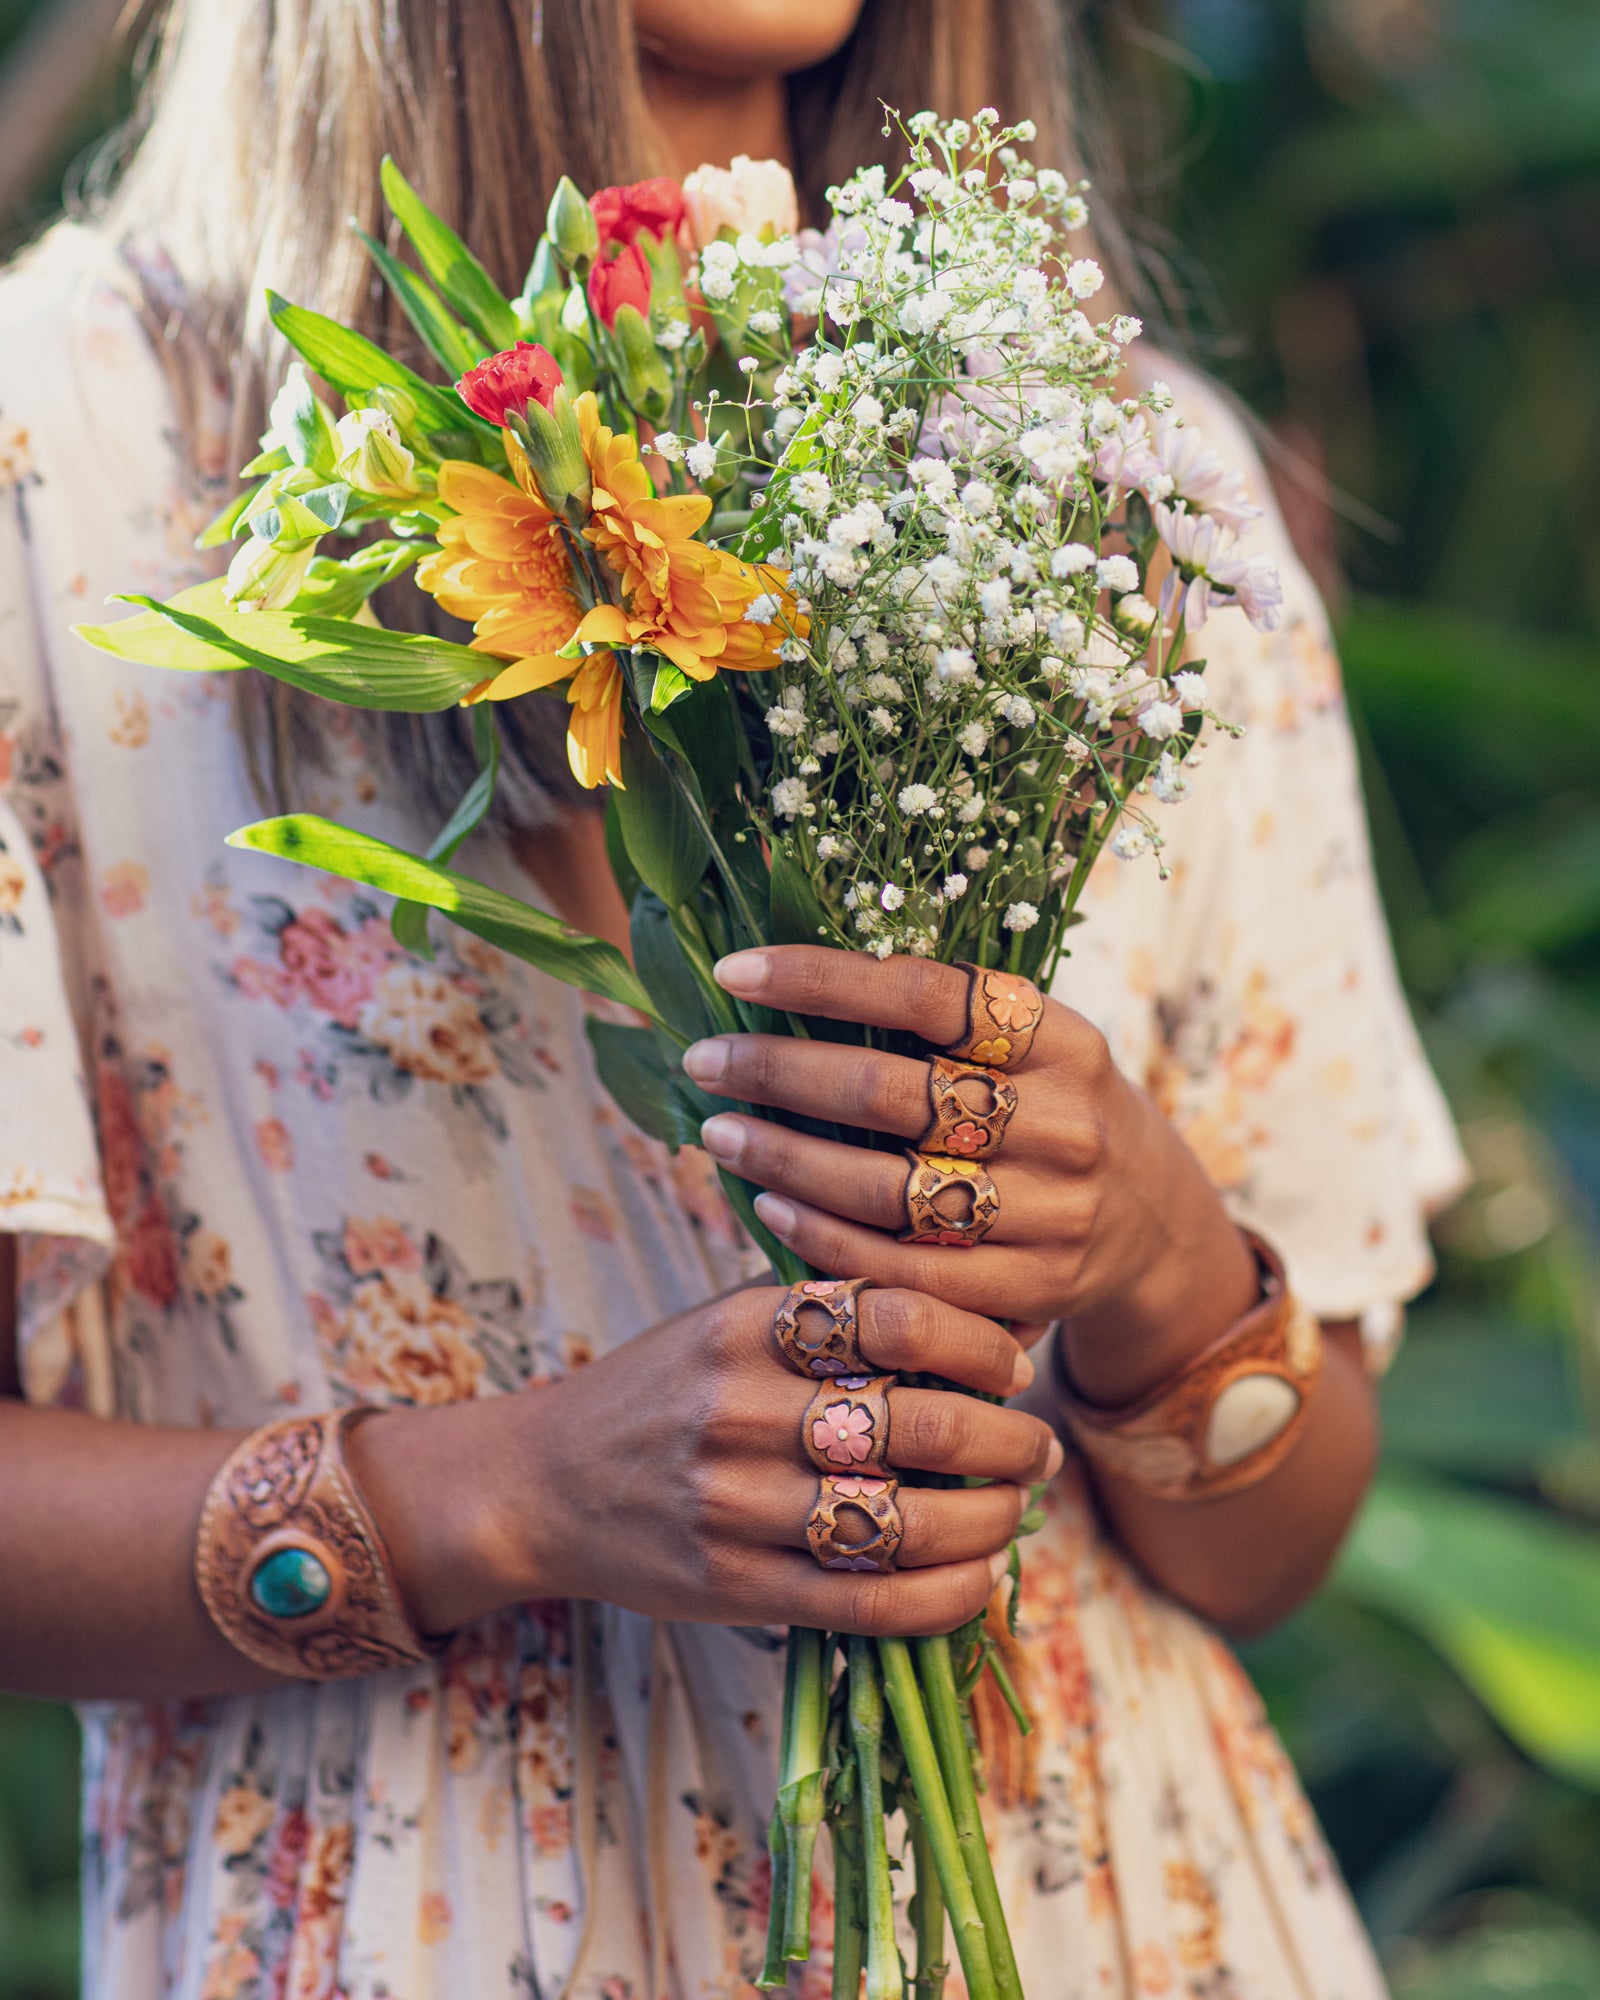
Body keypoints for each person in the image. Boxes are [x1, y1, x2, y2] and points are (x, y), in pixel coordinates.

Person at [0, 2, 1466, 1994]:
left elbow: (1265, 1549)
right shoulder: (56, 457)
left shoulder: (1122, 476)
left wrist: (1146, 1249)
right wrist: (492, 1498)